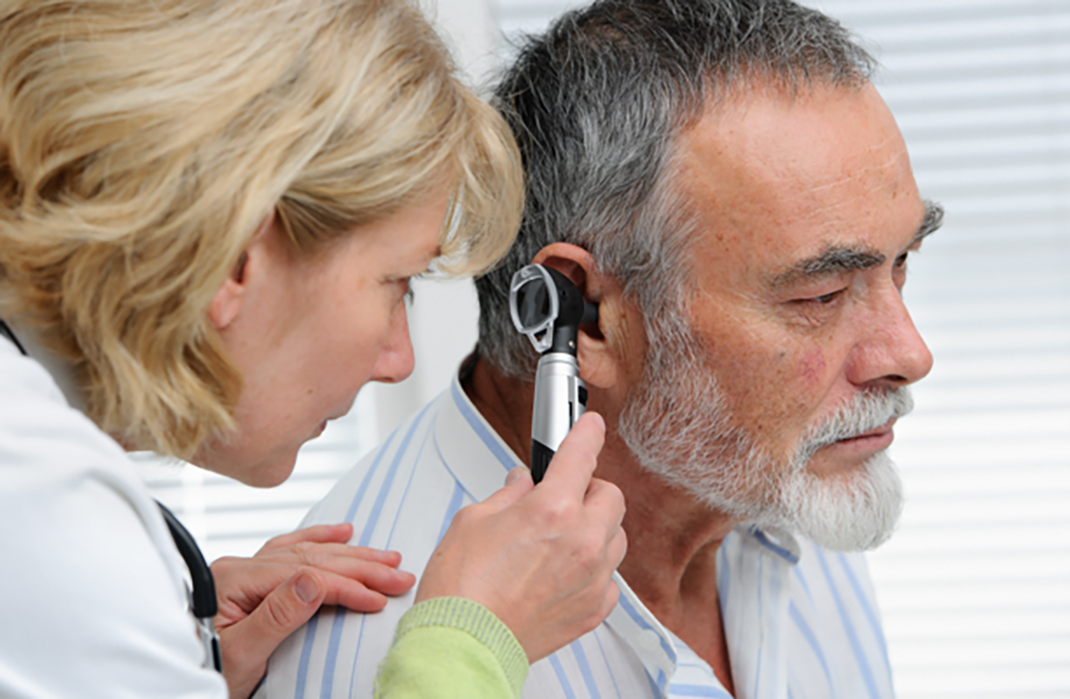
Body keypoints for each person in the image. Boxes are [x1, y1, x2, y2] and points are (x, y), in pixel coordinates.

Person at [262, 0, 946, 697]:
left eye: (901, 264)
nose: (909, 352)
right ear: (586, 319)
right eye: (822, 296)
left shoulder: (780, 476)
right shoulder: (369, 652)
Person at [0, 1, 627, 698]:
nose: (400, 359)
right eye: (399, 284)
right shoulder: (51, 522)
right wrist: (468, 643)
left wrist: (180, 655)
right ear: (229, 259)